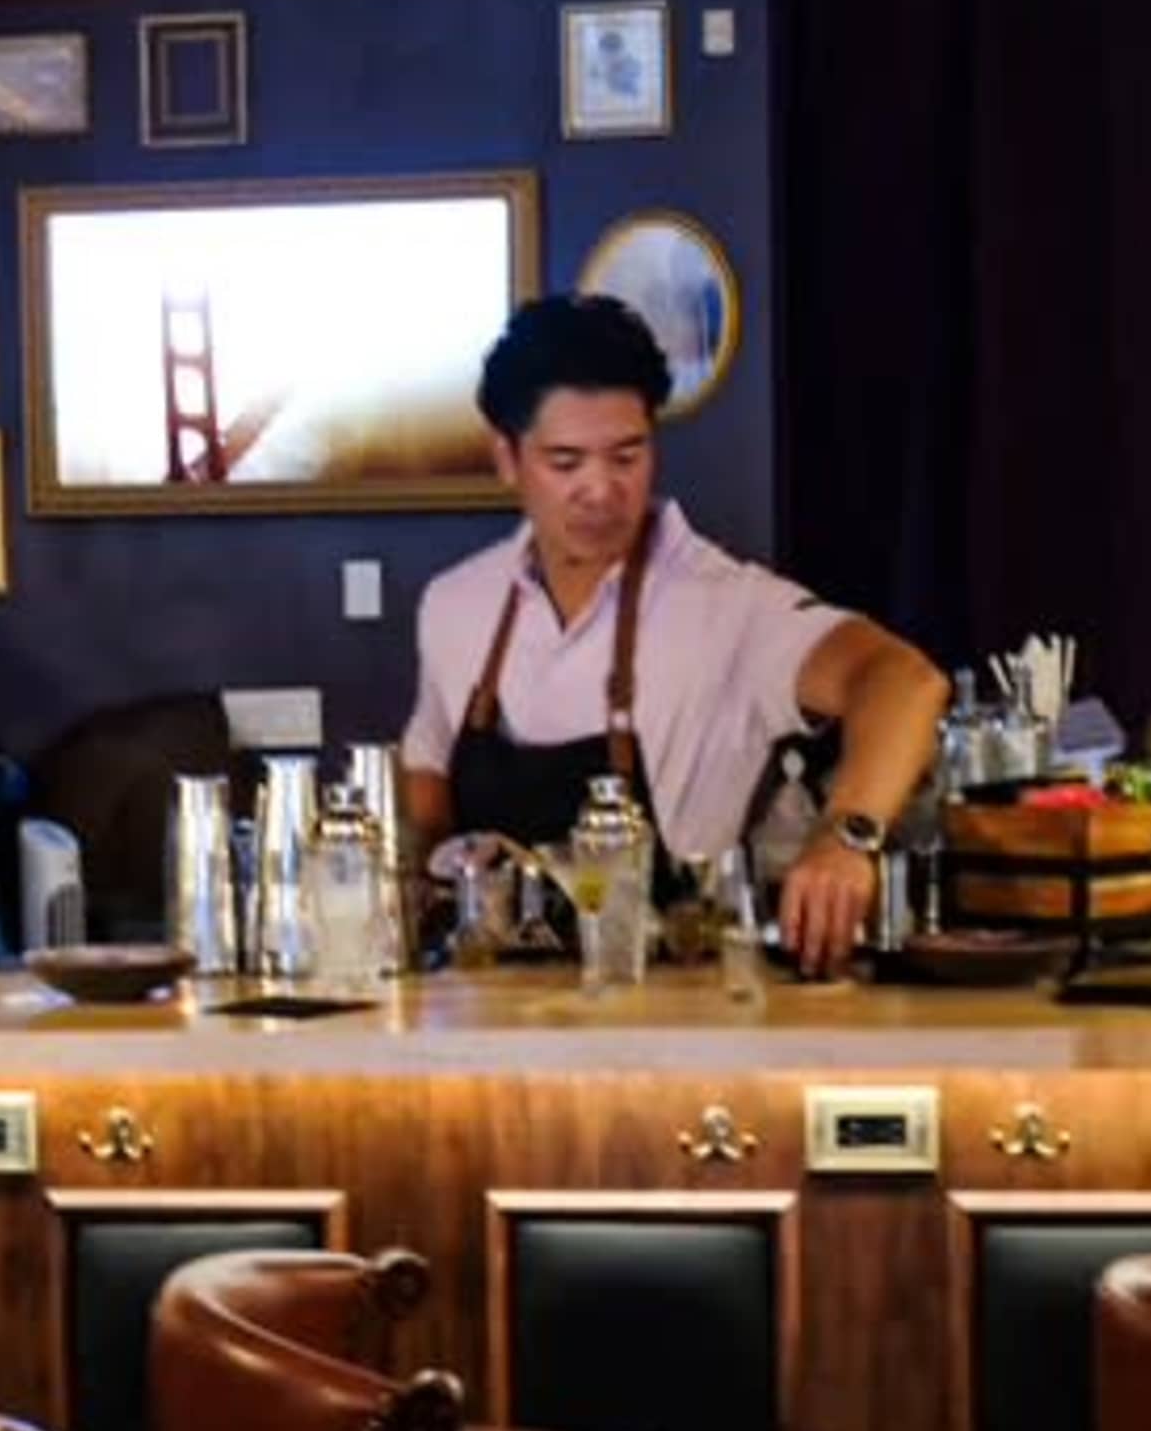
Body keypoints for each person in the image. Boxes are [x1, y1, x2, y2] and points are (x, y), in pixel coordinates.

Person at [398, 295, 947, 977]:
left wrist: (848, 835)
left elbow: (905, 682)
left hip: (669, 1010)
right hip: (492, 1029)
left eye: (626, 456)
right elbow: (428, 769)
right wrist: (427, 873)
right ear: (506, 457)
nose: (601, 491)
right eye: (566, 463)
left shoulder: (726, 605)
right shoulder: (458, 605)